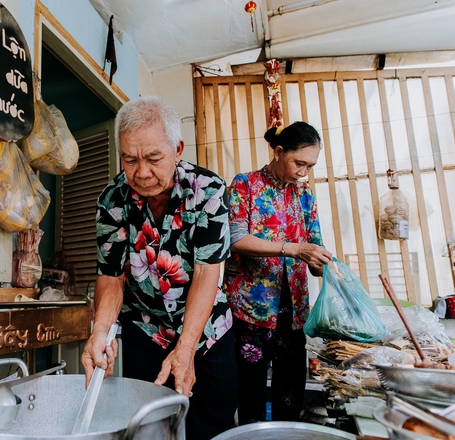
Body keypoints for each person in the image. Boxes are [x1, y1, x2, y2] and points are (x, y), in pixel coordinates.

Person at [80, 96, 238, 440]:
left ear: (177, 149)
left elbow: (206, 273)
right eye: (129, 159)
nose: (141, 172)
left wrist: (185, 349)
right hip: (146, 332)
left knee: (210, 425)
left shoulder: (208, 191)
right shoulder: (112, 200)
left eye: (153, 158)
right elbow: (111, 276)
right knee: (149, 428)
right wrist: (100, 331)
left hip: (206, 332)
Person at [223, 121, 332, 425]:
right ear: (279, 151)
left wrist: (319, 261)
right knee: (251, 390)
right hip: (252, 309)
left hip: (294, 308)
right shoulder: (245, 184)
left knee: (290, 390)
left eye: (310, 166)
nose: (303, 172)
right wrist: (295, 249)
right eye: (299, 163)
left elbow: (314, 241)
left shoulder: (305, 194)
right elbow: (237, 239)